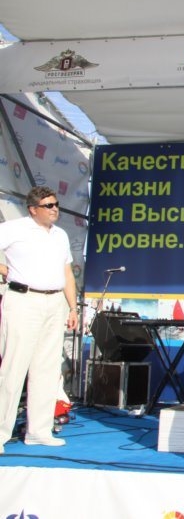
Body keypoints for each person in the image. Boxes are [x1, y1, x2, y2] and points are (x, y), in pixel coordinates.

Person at [0, 186, 79, 454]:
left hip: (54, 302)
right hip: (23, 299)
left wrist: (72, 308)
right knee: (13, 368)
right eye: (48, 206)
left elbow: (67, 273)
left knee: (47, 369)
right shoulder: (14, 229)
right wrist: (7, 270)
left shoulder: (61, 235)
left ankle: (39, 431)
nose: (55, 209)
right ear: (33, 209)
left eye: (56, 204)